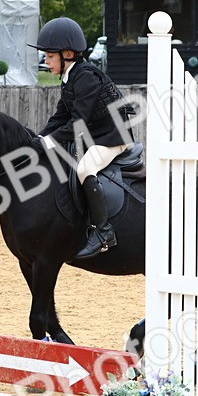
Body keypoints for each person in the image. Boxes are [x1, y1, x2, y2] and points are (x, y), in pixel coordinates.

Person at [34, 17, 135, 259]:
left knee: (84, 169)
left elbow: (77, 122)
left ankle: (103, 232)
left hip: (113, 136)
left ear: (67, 53)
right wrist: (37, 138)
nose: (46, 61)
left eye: (49, 56)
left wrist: (49, 142)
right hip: (97, 137)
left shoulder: (87, 76)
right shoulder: (70, 78)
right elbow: (60, 117)